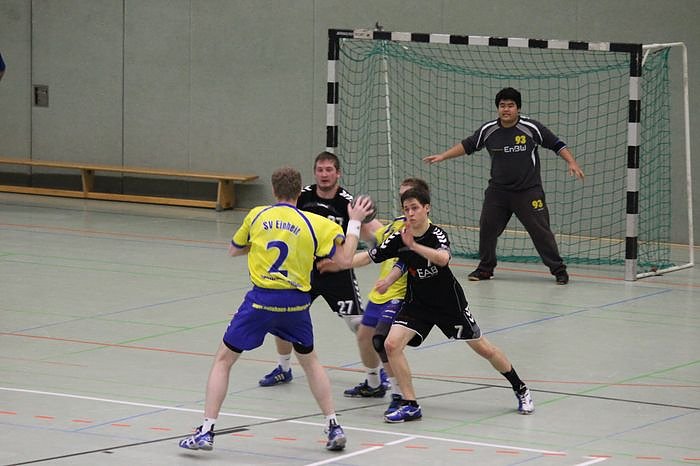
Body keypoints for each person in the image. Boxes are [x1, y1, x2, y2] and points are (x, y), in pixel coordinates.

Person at [178, 166, 374, 452]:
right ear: (299, 191)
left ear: (273, 190)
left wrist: (259, 244)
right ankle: (333, 425)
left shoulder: (257, 215)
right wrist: (354, 222)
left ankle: (206, 430)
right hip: (296, 304)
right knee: (310, 362)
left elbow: (234, 249)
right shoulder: (317, 224)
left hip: (261, 301)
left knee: (224, 360)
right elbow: (344, 261)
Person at [353, 187, 534, 422]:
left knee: (484, 349)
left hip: (449, 305)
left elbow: (442, 259)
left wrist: (414, 246)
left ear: (426, 208)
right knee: (391, 344)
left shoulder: (437, 234)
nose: (410, 213)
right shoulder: (400, 237)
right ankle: (410, 404)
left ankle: (520, 388)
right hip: (418, 304)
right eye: (406, 209)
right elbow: (386, 259)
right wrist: (350, 265)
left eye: (415, 208)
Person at [258, 152, 389, 399]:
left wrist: (384, 240)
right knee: (281, 317)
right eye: (320, 169)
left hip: (337, 273)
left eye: (329, 170)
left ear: (338, 173)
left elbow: (378, 235)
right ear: (314, 172)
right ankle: (283, 369)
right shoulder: (303, 197)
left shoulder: (348, 203)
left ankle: (376, 375)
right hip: (304, 271)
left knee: (360, 326)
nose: (324, 174)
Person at [424, 87, 585, 285]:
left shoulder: (531, 128)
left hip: (529, 191)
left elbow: (557, 144)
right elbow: (468, 145)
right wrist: (443, 156)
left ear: (518, 108)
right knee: (487, 227)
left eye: (510, 105)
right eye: (502, 106)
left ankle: (559, 270)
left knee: (541, 232)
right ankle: (485, 269)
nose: (506, 109)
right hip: (498, 192)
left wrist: (572, 162)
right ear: (497, 108)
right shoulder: (489, 130)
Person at [319, 177, 430, 415]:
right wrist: (341, 262)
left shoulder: (419, 230)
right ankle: (374, 383)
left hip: (402, 294)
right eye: (402, 197)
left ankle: (400, 395)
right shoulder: (396, 225)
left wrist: (356, 222)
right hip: (381, 293)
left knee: (383, 341)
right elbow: (374, 248)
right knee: (364, 336)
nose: (404, 201)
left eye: (409, 197)